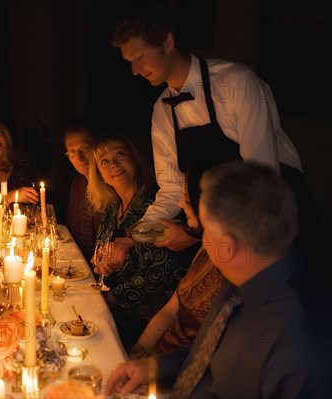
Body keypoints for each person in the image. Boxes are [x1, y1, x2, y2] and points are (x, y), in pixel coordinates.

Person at [105, 160, 330, 398]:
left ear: (227, 246)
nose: (200, 239)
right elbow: (210, 353)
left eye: (206, 230)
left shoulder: (301, 343)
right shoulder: (242, 280)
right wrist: (155, 366)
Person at [111, 3, 313, 254]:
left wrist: (195, 234)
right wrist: (130, 239)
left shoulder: (238, 82)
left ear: (167, 41)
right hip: (224, 226)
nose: (134, 70)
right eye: (129, 61)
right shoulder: (162, 111)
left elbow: (260, 178)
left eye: (138, 57)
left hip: (278, 213)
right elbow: (173, 189)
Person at [87, 133, 196, 350]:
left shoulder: (159, 202)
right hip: (118, 310)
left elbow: (159, 272)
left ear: (134, 158)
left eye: (120, 155)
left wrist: (110, 300)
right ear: (100, 174)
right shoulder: (111, 208)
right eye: (105, 161)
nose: (114, 165)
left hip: (150, 320)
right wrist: (103, 266)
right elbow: (103, 253)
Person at [127, 164, 222, 360]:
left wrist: (153, 366)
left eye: (188, 198)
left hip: (181, 367)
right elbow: (170, 310)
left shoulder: (232, 268)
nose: (180, 204)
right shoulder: (205, 248)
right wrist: (139, 350)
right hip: (159, 354)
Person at [63, 121, 102, 262]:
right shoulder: (77, 183)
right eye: (72, 152)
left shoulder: (111, 184)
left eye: (84, 149)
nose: (79, 158)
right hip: (78, 262)